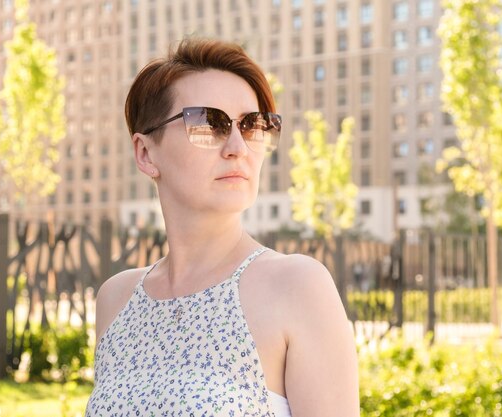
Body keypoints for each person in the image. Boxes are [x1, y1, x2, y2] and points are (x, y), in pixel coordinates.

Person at [85, 38, 359, 417]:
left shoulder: (298, 286)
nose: (237, 147)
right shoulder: (115, 299)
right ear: (146, 153)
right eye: (208, 123)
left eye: (252, 125)